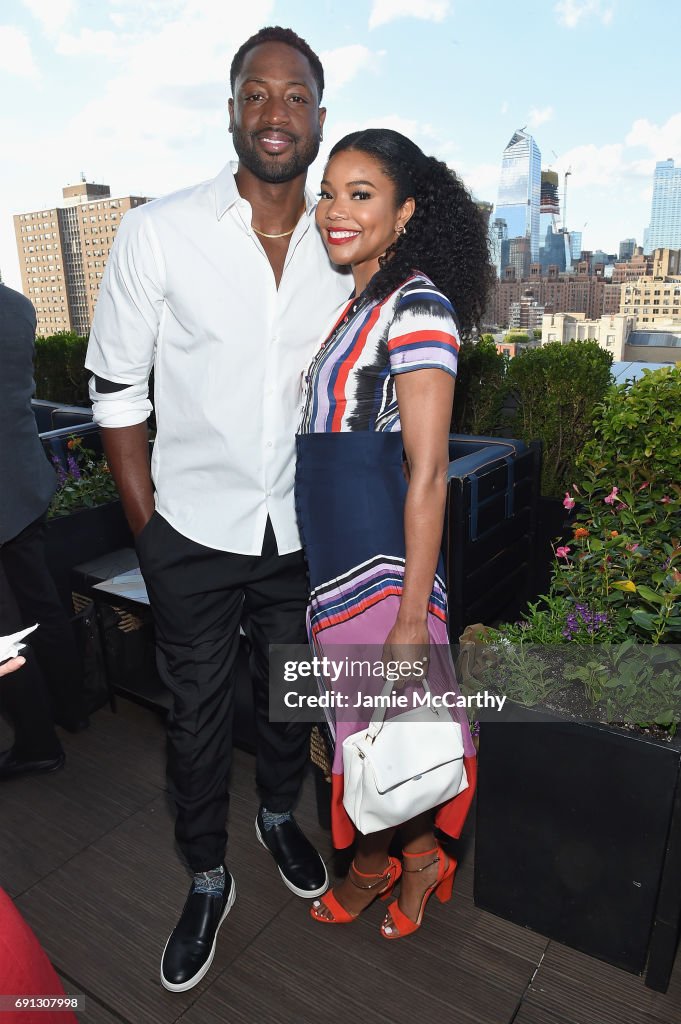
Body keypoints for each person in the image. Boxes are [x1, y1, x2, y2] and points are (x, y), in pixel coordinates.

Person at [85, 26, 351, 992]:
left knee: (291, 697)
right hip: (189, 535)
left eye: (294, 96)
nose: (274, 112)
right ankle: (206, 873)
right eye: (256, 93)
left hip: (303, 534)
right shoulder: (161, 229)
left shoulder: (347, 239)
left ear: (319, 118)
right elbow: (117, 385)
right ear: (232, 109)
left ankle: (277, 814)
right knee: (195, 720)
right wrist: (145, 523)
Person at [295, 129, 494, 937]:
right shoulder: (359, 303)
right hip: (338, 563)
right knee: (368, 732)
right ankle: (403, 861)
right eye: (328, 192)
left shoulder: (416, 303)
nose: (335, 210)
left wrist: (412, 619)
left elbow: (425, 470)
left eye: (360, 193)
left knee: (384, 736)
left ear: (406, 210)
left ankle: (389, 866)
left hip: (381, 576)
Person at [0, 283, 88, 780]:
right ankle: (71, 709)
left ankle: (37, 745)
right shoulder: (17, 305)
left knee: (5, 633)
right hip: (23, 483)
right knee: (42, 605)